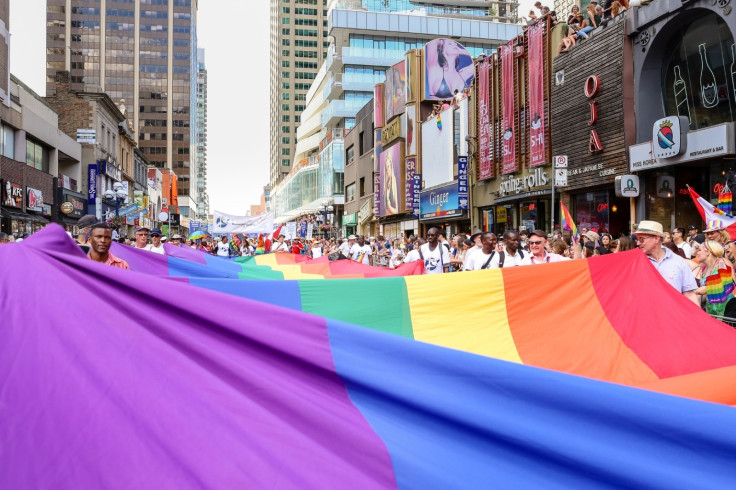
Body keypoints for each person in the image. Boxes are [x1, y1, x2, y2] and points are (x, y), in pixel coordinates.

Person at [636, 220, 698, 305]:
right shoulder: (635, 263)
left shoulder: (679, 262)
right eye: (637, 239)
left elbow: (689, 294)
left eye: (641, 239)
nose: (638, 243)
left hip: (673, 315)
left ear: (656, 239)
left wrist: (697, 317)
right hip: (646, 315)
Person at [694, 241, 736, 323]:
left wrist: (706, 288)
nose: (697, 253)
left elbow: (726, 283)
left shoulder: (721, 262)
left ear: (708, 252)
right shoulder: (703, 269)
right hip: (712, 311)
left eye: (699, 250)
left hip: (727, 310)